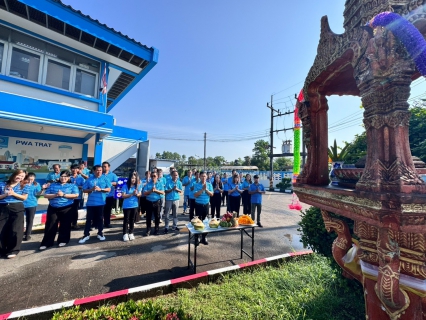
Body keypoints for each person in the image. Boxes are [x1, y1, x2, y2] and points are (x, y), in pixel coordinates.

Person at [39, 170, 79, 250]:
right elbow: (46, 195)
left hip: (66, 208)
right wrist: (55, 195)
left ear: (68, 178)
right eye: (62, 176)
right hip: (53, 208)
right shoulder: (53, 185)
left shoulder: (72, 186)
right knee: (50, 225)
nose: (63, 178)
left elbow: (75, 195)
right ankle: (47, 243)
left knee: (65, 225)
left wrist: (63, 195)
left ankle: (63, 240)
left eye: (65, 176)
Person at [0, 170, 29, 258]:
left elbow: (24, 197)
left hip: (17, 207)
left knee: (15, 229)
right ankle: (1, 250)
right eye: (19, 175)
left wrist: (13, 193)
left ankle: (13, 250)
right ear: (14, 174)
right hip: (3, 207)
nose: (20, 177)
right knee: (1, 229)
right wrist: (5, 195)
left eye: (22, 176)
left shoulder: (24, 185)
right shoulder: (2, 184)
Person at [79, 165, 111, 244]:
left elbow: (109, 189)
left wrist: (101, 189)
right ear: (94, 171)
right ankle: (86, 235)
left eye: (100, 170)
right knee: (88, 220)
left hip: (101, 202)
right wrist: (91, 189)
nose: (99, 172)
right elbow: (84, 190)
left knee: (100, 219)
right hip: (91, 203)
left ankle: (100, 233)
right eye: (97, 170)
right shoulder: (89, 179)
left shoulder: (105, 178)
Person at [194, 171, 213, 245]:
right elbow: (195, 195)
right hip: (198, 205)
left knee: (205, 222)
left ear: (207, 177)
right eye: (202, 176)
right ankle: (196, 238)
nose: (203, 177)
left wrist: (206, 189)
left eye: (205, 176)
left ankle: (204, 237)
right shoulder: (196, 185)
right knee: (198, 221)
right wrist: (202, 189)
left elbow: (212, 194)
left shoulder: (209, 185)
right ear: (199, 177)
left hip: (206, 205)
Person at [121, 172, 142, 241]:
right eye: (132, 178)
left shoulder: (137, 186)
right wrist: (131, 194)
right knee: (126, 220)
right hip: (127, 206)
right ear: (130, 178)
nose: (134, 180)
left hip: (134, 205)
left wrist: (137, 194)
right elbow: (123, 196)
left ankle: (131, 232)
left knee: (132, 220)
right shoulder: (125, 186)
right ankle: (125, 234)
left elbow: (140, 194)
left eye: (135, 178)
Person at [23, 172, 43, 241]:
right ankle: (19, 233)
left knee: (30, 220)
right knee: (19, 220)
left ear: (34, 179)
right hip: (21, 204)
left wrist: (42, 189)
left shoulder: (36, 184)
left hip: (31, 204)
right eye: (29, 179)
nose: (30, 181)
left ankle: (27, 234)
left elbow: (38, 194)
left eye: (32, 179)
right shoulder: (22, 184)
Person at [144, 171, 164, 236]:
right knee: (148, 217)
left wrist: (155, 190)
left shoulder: (160, 184)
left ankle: (156, 229)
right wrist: (150, 191)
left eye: (154, 176)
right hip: (149, 202)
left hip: (157, 202)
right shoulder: (148, 184)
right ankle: (148, 229)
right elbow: (144, 193)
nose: (153, 177)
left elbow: (162, 192)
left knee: (157, 216)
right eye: (152, 176)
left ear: (157, 176)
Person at [102, 162, 118, 228]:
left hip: (109, 195)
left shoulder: (113, 175)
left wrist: (108, 183)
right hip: (101, 196)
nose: (104, 168)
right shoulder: (100, 174)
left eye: (105, 166)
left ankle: (107, 223)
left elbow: (116, 183)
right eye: (103, 166)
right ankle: (98, 223)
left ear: (109, 167)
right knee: (100, 210)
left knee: (108, 210)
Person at [70, 164, 85, 230]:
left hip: (77, 197)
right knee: (67, 210)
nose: (74, 170)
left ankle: (74, 224)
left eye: (76, 168)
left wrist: (77, 187)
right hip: (68, 197)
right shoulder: (68, 177)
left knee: (75, 211)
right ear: (71, 169)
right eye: (73, 168)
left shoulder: (81, 178)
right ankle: (67, 224)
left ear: (78, 170)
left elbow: (84, 186)